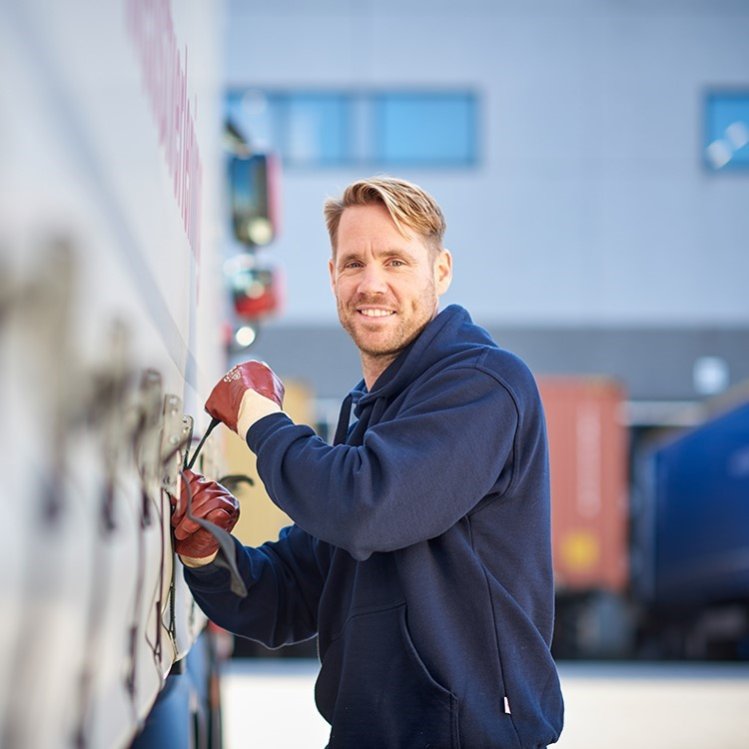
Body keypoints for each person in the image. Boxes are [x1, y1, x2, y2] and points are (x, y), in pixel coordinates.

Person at [171, 177, 564, 748]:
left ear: (441, 270)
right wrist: (207, 552)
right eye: (353, 263)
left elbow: (364, 507)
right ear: (332, 276)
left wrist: (258, 418)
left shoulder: (482, 385)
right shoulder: (368, 416)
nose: (371, 283)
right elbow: (293, 592)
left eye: (396, 261)